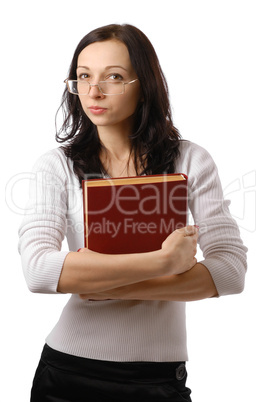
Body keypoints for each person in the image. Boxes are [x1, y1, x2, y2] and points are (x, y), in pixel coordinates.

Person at [18, 24, 247, 402]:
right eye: (83, 76)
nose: (94, 90)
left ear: (145, 85)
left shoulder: (189, 160)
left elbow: (229, 271)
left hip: (158, 378)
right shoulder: (56, 166)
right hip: (67, 372)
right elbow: (39, 271)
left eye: (114, 76)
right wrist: (164, 262)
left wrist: (97, 282)